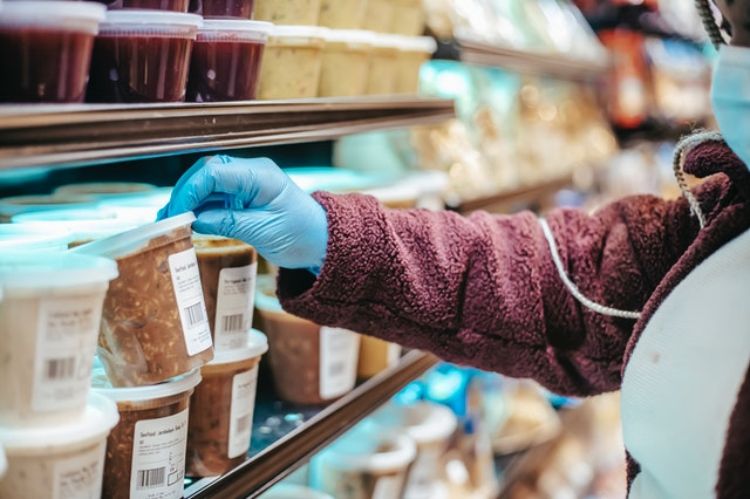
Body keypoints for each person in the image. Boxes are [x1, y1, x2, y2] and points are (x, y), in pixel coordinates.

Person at [159, 2, 750, 497]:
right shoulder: (720, 216)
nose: (733, 58)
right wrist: (330, 237)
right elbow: (561, 281)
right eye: (728, 29)